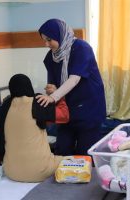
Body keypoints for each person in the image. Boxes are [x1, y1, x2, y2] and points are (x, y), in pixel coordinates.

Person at [36, 18, 106, 156]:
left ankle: (85, 177)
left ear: (59, 35)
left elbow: (74, 79)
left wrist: (54, 97)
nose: (46, 44)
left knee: (85, 152)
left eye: (49, 40)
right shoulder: (51, 57)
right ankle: (63, 177)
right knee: (62, 150)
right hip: (67, 109)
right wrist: (52, 90)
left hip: (88, 107)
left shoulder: (81, 48)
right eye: (44, 40)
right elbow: (53, 85)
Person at [0, 74, 70, 182]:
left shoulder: (4, 108)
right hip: (41, 171)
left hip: (11, 172)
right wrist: (57, 96)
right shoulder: (38, 103)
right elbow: (65, 116)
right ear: (29, 86)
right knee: (72, 160)